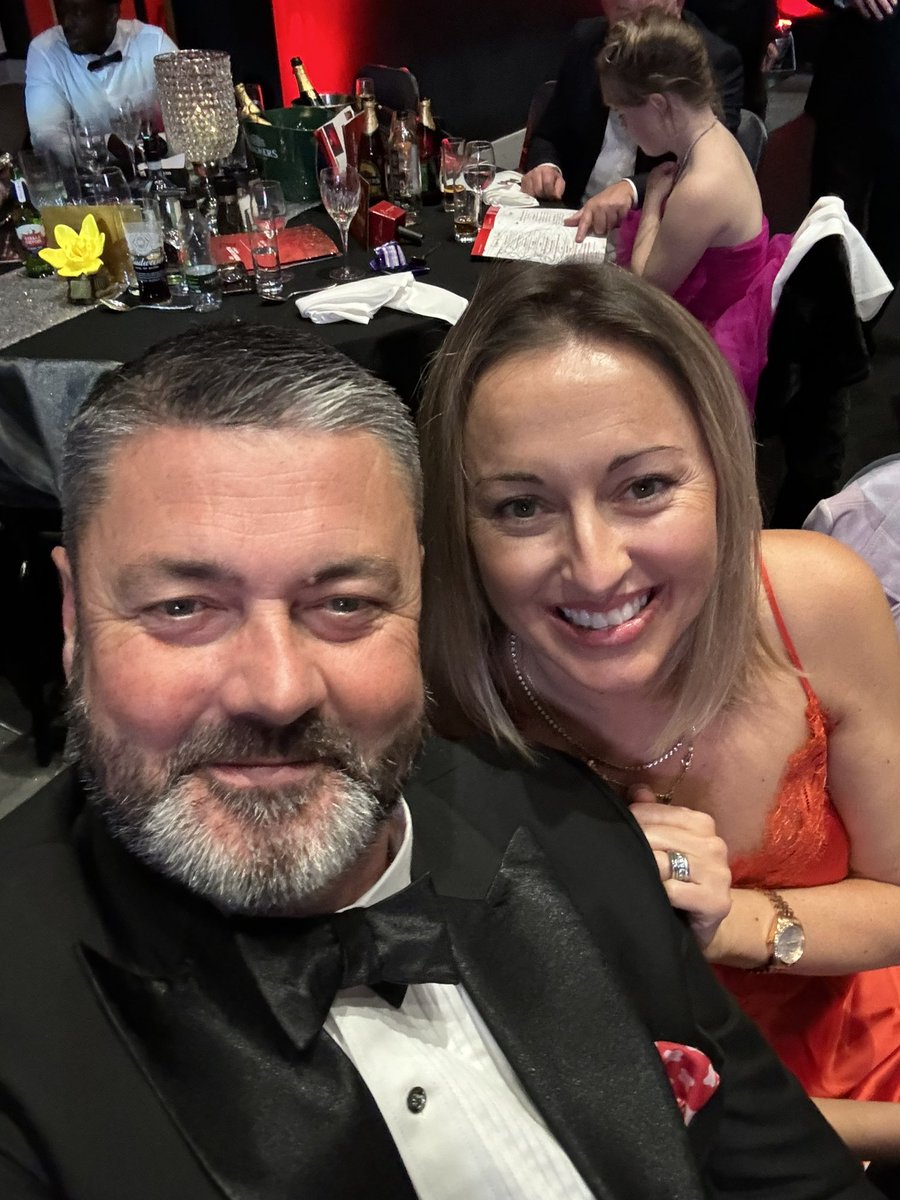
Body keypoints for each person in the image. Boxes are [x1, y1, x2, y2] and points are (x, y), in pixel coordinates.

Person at [0, 324, 877, 1199]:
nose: (276, 691)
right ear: (74, 616)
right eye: (184, 607)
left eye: (345, 602)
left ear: (416, 593)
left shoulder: (568, 821)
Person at [417, 259, 900, 1162]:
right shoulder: (439, 702)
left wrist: (733, 923)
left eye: (642, 487)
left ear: (721, 471)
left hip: (863, 1059)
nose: (596, 567)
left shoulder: (818, 606)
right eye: (521, 506)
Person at [584, 9, 790, 405]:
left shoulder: (701, 186)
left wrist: (653, 201)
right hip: (697, 310)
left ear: (659, 104)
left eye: (625, 115)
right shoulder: (712, 139)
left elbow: (646, 288)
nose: (625, 127)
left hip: (705, 343)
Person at [520, 0, 742, 234]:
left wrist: (633, 189)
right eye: (623, 13)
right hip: (571, 217)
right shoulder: (586, 39)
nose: (634, 28)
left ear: (677, 4)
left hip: (653, 227)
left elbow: (706, 164)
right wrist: (546, 166)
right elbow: (549, 133)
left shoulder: (711, 60)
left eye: (647, 14)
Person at [806, 0, 900, 328]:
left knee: (893, 231)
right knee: (831, 220)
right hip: (853, 86)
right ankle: (827, 331)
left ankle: (858, 331)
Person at [24, 0, 176, 158]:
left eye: (78, 12)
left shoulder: (153, 42)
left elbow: (188, 112)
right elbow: (46, 136)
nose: (67, 23)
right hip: (94, 172)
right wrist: (106, 144)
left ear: (112, 14)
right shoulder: (46, 52)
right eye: (63, 12)